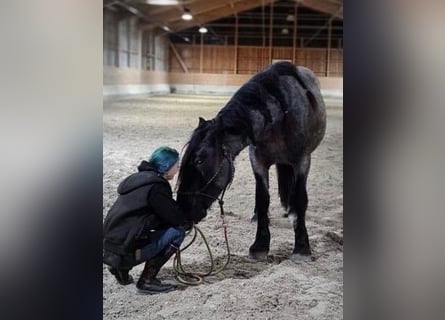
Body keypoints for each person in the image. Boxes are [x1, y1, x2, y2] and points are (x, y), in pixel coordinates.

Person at [103, 146, 191, 294]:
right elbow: (176, 218)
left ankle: (120, 268)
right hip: (125, 250)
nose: (178, 168)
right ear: (167, 167)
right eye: (176, 165)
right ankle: (147, 281)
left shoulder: (137, 180)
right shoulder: (157, 186)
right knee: (178, 232)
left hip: (110, 247)